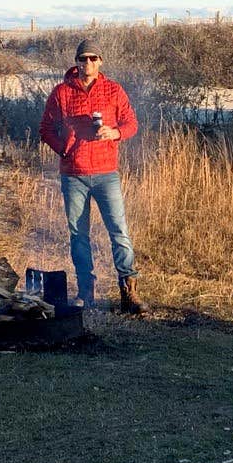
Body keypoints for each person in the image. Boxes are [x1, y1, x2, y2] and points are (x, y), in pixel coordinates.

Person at [38, 38, 143, 313]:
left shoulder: (113, 90)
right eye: (83, 58)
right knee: (79, 235)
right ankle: (86, 291)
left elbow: (132, 122)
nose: (88, 63)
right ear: (75, 62)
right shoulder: (61, 92)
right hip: (74, 175)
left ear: (101, 61)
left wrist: (116, 132)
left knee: (119, 232)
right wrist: (64, 149)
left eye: (93, 58)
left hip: (107, 173)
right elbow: (45, 129)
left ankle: (128, 293)